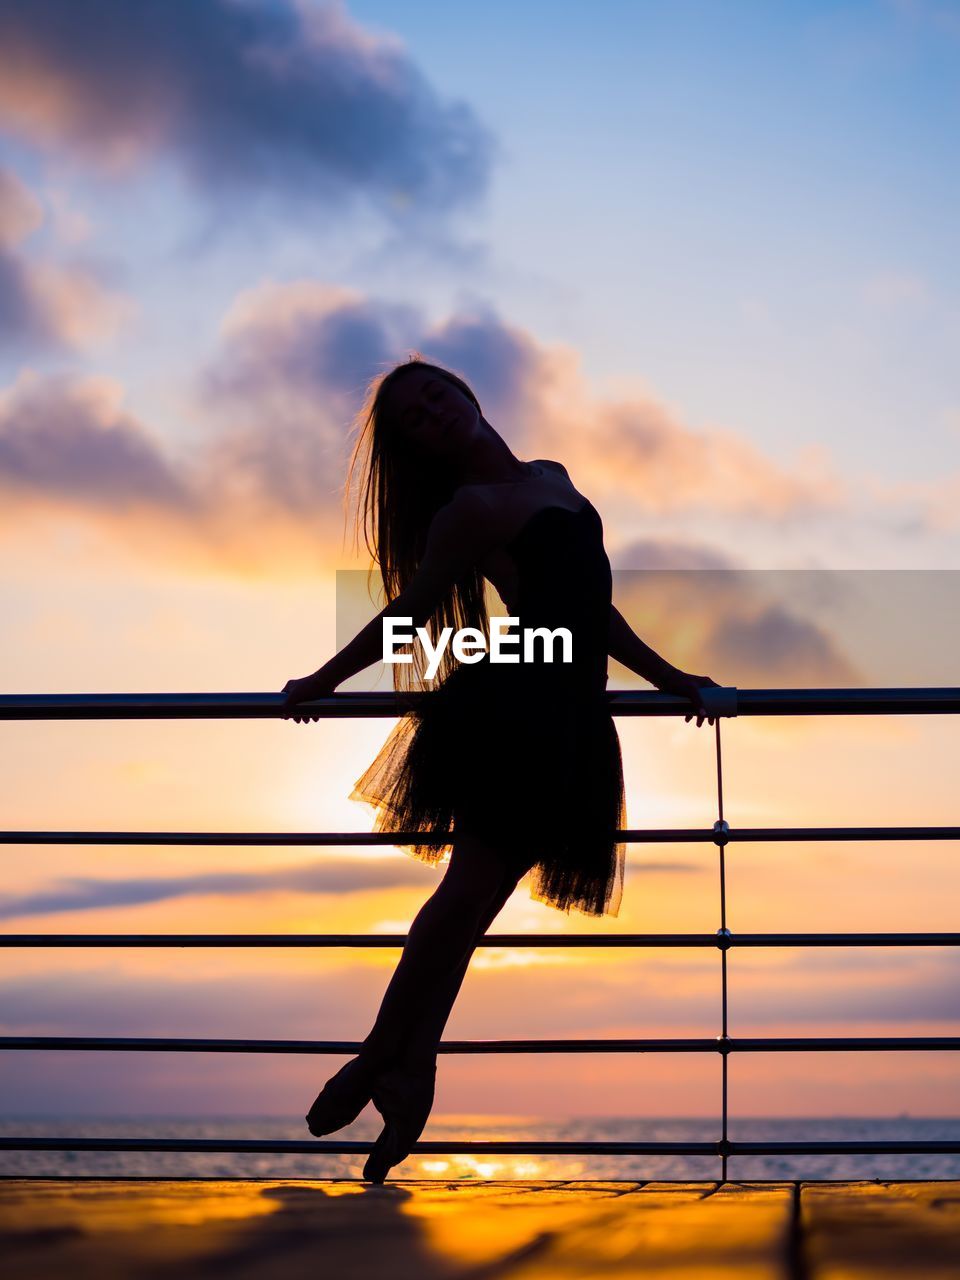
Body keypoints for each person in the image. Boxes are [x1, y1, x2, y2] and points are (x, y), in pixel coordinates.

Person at [280, 354, 720, 1182]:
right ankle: (383, 1058)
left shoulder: (553, 475)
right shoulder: (470, 512)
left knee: (473, 908)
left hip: (571, 722)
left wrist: (676, 681)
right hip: (516, 713)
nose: (434, 412)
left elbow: (596, 614)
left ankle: (409, 1068)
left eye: (436, 395)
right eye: (414, 415)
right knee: (460, 903)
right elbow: (407, 615)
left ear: (469, 392)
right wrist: (321, 682)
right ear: (416, 446)